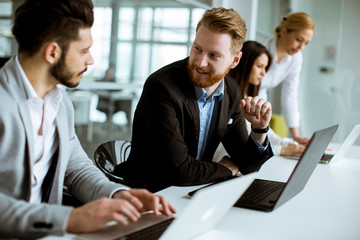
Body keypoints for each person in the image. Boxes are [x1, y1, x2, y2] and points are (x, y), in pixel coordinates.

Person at [0, 0, 175, 239]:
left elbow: (77, 169)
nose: (90, 60)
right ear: (52, 52)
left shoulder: (61, 103)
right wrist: (71, 219)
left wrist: (119, 195)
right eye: (83, 51)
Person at [113, 7, 274, 189]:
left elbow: (248, 164)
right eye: (197, 49)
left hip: (192, 191)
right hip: (149, 194)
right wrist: (225, 169)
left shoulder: (231, 91)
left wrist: (260, 129)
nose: (200, 62)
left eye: (213, 55)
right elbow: (180, 172)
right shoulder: (161, 87)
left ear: (235, 60)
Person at [213, 41, 305, 161]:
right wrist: (283, 150)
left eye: (265, 68)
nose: (264, 73)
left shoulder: (250, 95)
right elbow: (243, 141)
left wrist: (289, 144)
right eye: (260, 66)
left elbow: (262, 130)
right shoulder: (228, 97)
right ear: (244, 63)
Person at [258, 12, 315, 144]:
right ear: (284, 31)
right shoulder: (260, 50)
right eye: (299, 40)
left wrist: (295, 136)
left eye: (306, 43)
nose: (301, 47)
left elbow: (290, 94)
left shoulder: (296, 58)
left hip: (260, 99)